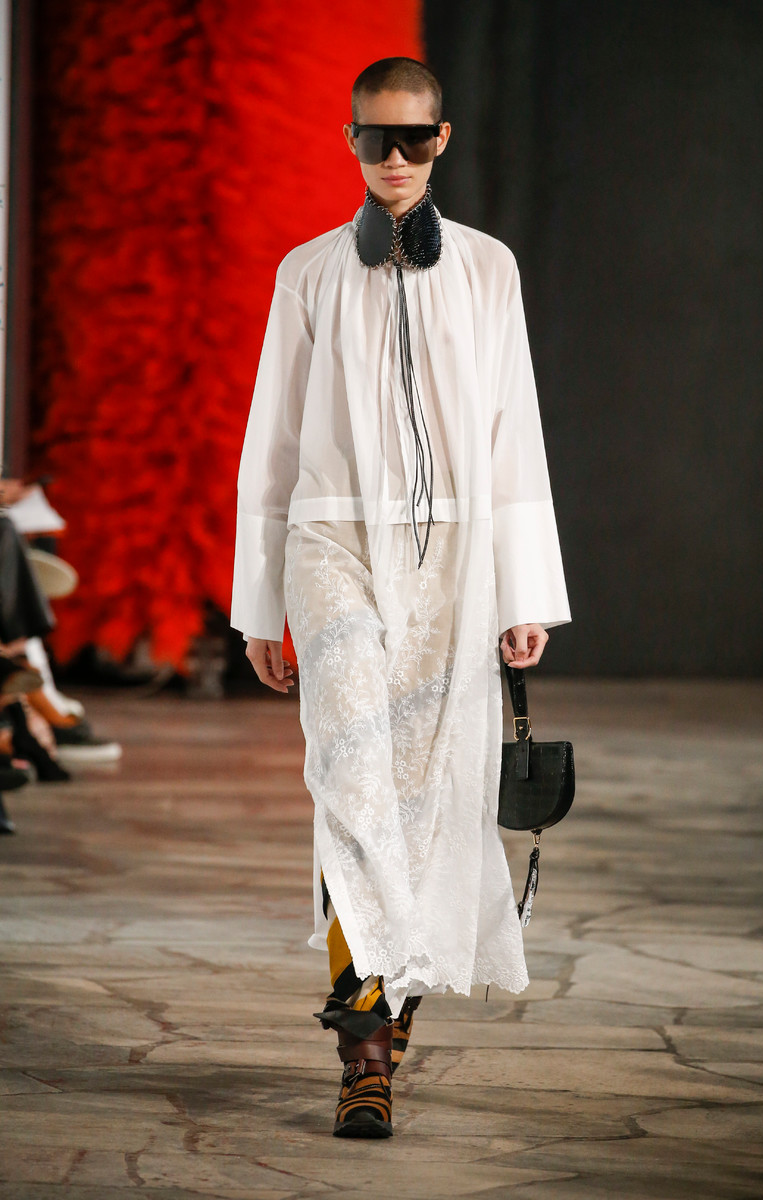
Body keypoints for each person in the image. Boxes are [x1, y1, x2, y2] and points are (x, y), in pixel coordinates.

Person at [231, 57, 571, 1138]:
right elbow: (272, 439)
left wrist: (524, 590)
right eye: (372, 138)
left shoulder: (487, 268)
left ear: (442, 140)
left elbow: (513, 429)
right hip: (330, 541)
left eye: (411, 138)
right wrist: (258, 604)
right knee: (352, 778)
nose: (391, 158)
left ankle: (394, 987)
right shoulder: (306, 272)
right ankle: (364, 1046)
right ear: (349, 142)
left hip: (455, 558)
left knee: (430, 794)